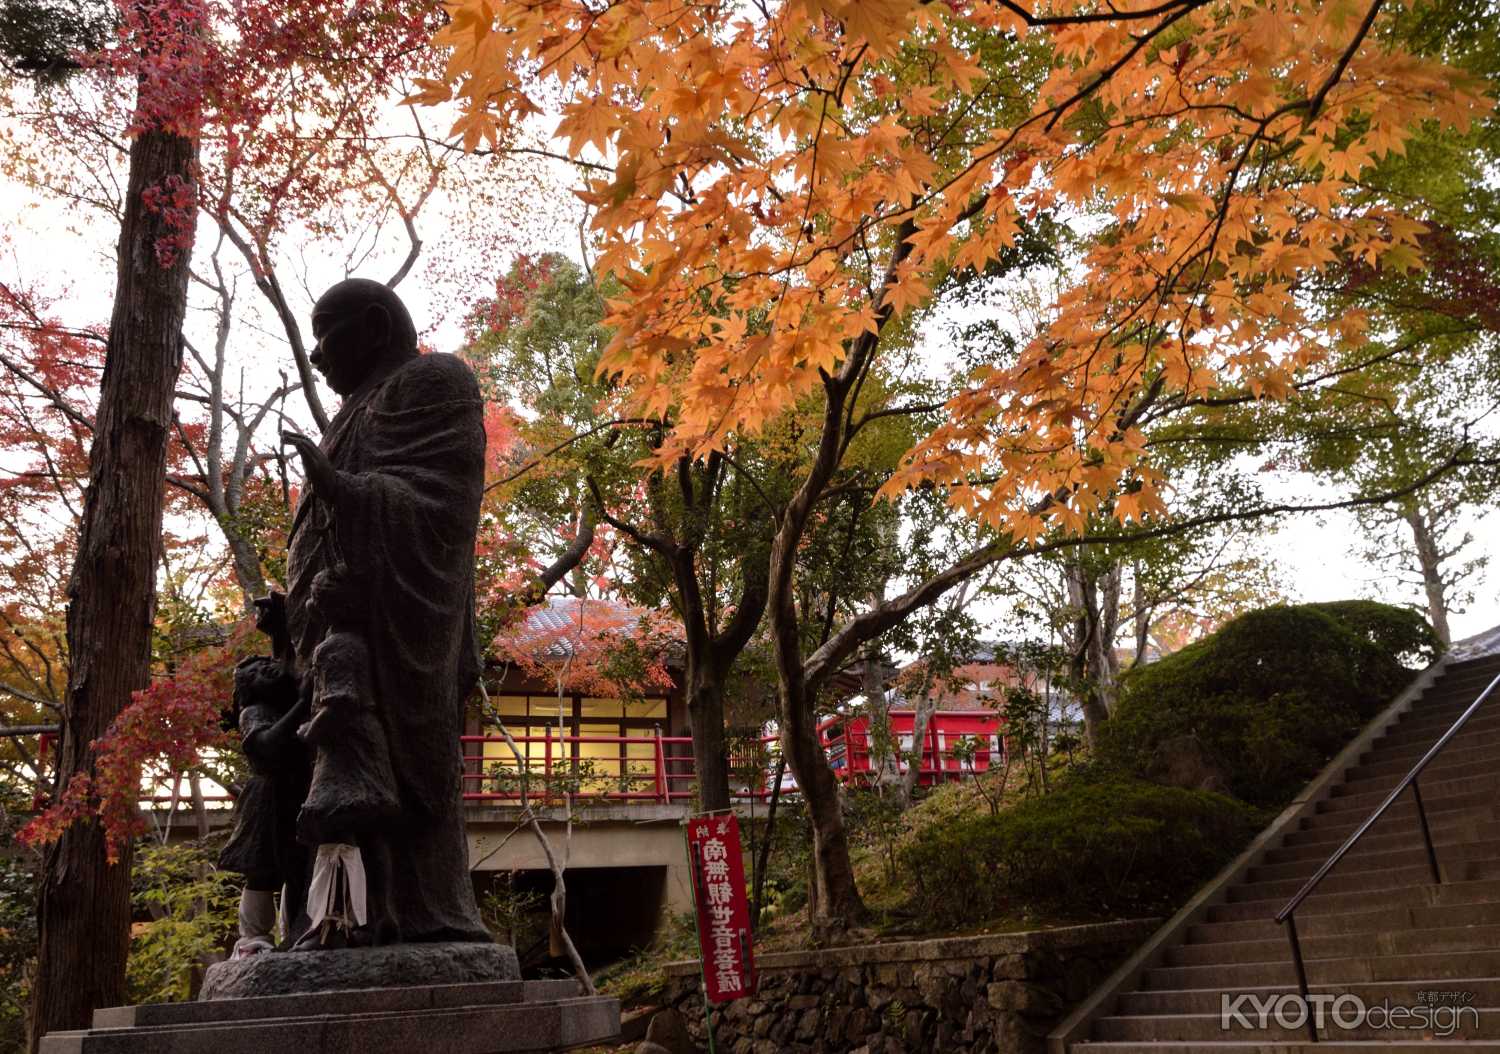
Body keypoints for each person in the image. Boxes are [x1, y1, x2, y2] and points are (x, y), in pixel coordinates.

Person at [279, 278, 491, 946]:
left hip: (397, 630)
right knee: (327, 777)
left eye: (325, 333)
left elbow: (439, 503)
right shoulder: (351, 412)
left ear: (373, 324)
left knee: (383, 770)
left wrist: (342, 487)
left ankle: (415, 914)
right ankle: (333, 919)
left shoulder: (431, 382)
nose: (315, 356)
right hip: (330, 634)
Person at [217, 653, 310, 956]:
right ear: (248, 688)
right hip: (266, 798)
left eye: (268, 664)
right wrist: (301, 707)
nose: (267, 669)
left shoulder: (284, 703)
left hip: (293, 794)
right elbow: (267, 745)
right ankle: (253, 937)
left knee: (297, 866)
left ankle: (294, 930)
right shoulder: (253, 713)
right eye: (256, 672)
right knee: (263, 870)